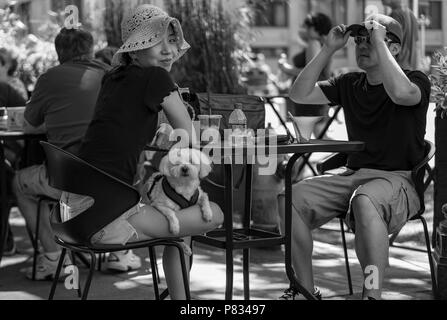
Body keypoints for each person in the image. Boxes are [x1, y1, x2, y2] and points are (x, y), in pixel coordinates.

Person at [61, 4, 224, 300]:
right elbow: (188, 135)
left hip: (71, 213)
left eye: (171, 41)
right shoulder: (156, 78)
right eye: (154, 41)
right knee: (214, 215)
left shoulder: (113, 78)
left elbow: (126, 124)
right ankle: (181, 299)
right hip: (104, 220)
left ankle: (180, 299)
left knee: (179, 219)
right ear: (134, 50)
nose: (168, 51)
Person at [277, 14, 430, 300]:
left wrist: (380, 43)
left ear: (393, 47)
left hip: (398, 180)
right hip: (354, 177)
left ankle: (371, 294)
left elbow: (400, 94)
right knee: (289, 199)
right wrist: (328, 48)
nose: (361, 45)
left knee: (364, 200)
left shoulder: (415, 80)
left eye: (369, 40)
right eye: (358, 40)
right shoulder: (350, 83)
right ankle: (304, 290)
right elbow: (299, 93)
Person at [11, 27, 120, 280]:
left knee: (18, 182)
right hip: (118, 180)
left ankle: (54, 259)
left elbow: (28, 125)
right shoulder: (112, 76)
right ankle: (120, 254)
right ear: (91, 49)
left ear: (58, 52)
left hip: (71, 178)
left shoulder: (50, 78)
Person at [278, 12, 333, 140]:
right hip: (317, 91)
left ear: (316, 28)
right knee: (318, 133)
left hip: (308, 92)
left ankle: (345, 155)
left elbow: (309, 71)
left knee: (305, 136)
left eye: (308, 27)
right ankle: (343, 155)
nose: (305, 30)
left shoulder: (313, 43)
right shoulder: (325, 44)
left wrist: (284, 67)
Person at [382, 0, 419, 70]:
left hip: (397, 66)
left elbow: (390, 42)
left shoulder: (395, 15)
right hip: (411, 67)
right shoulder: (411, 14)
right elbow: (416, 43)